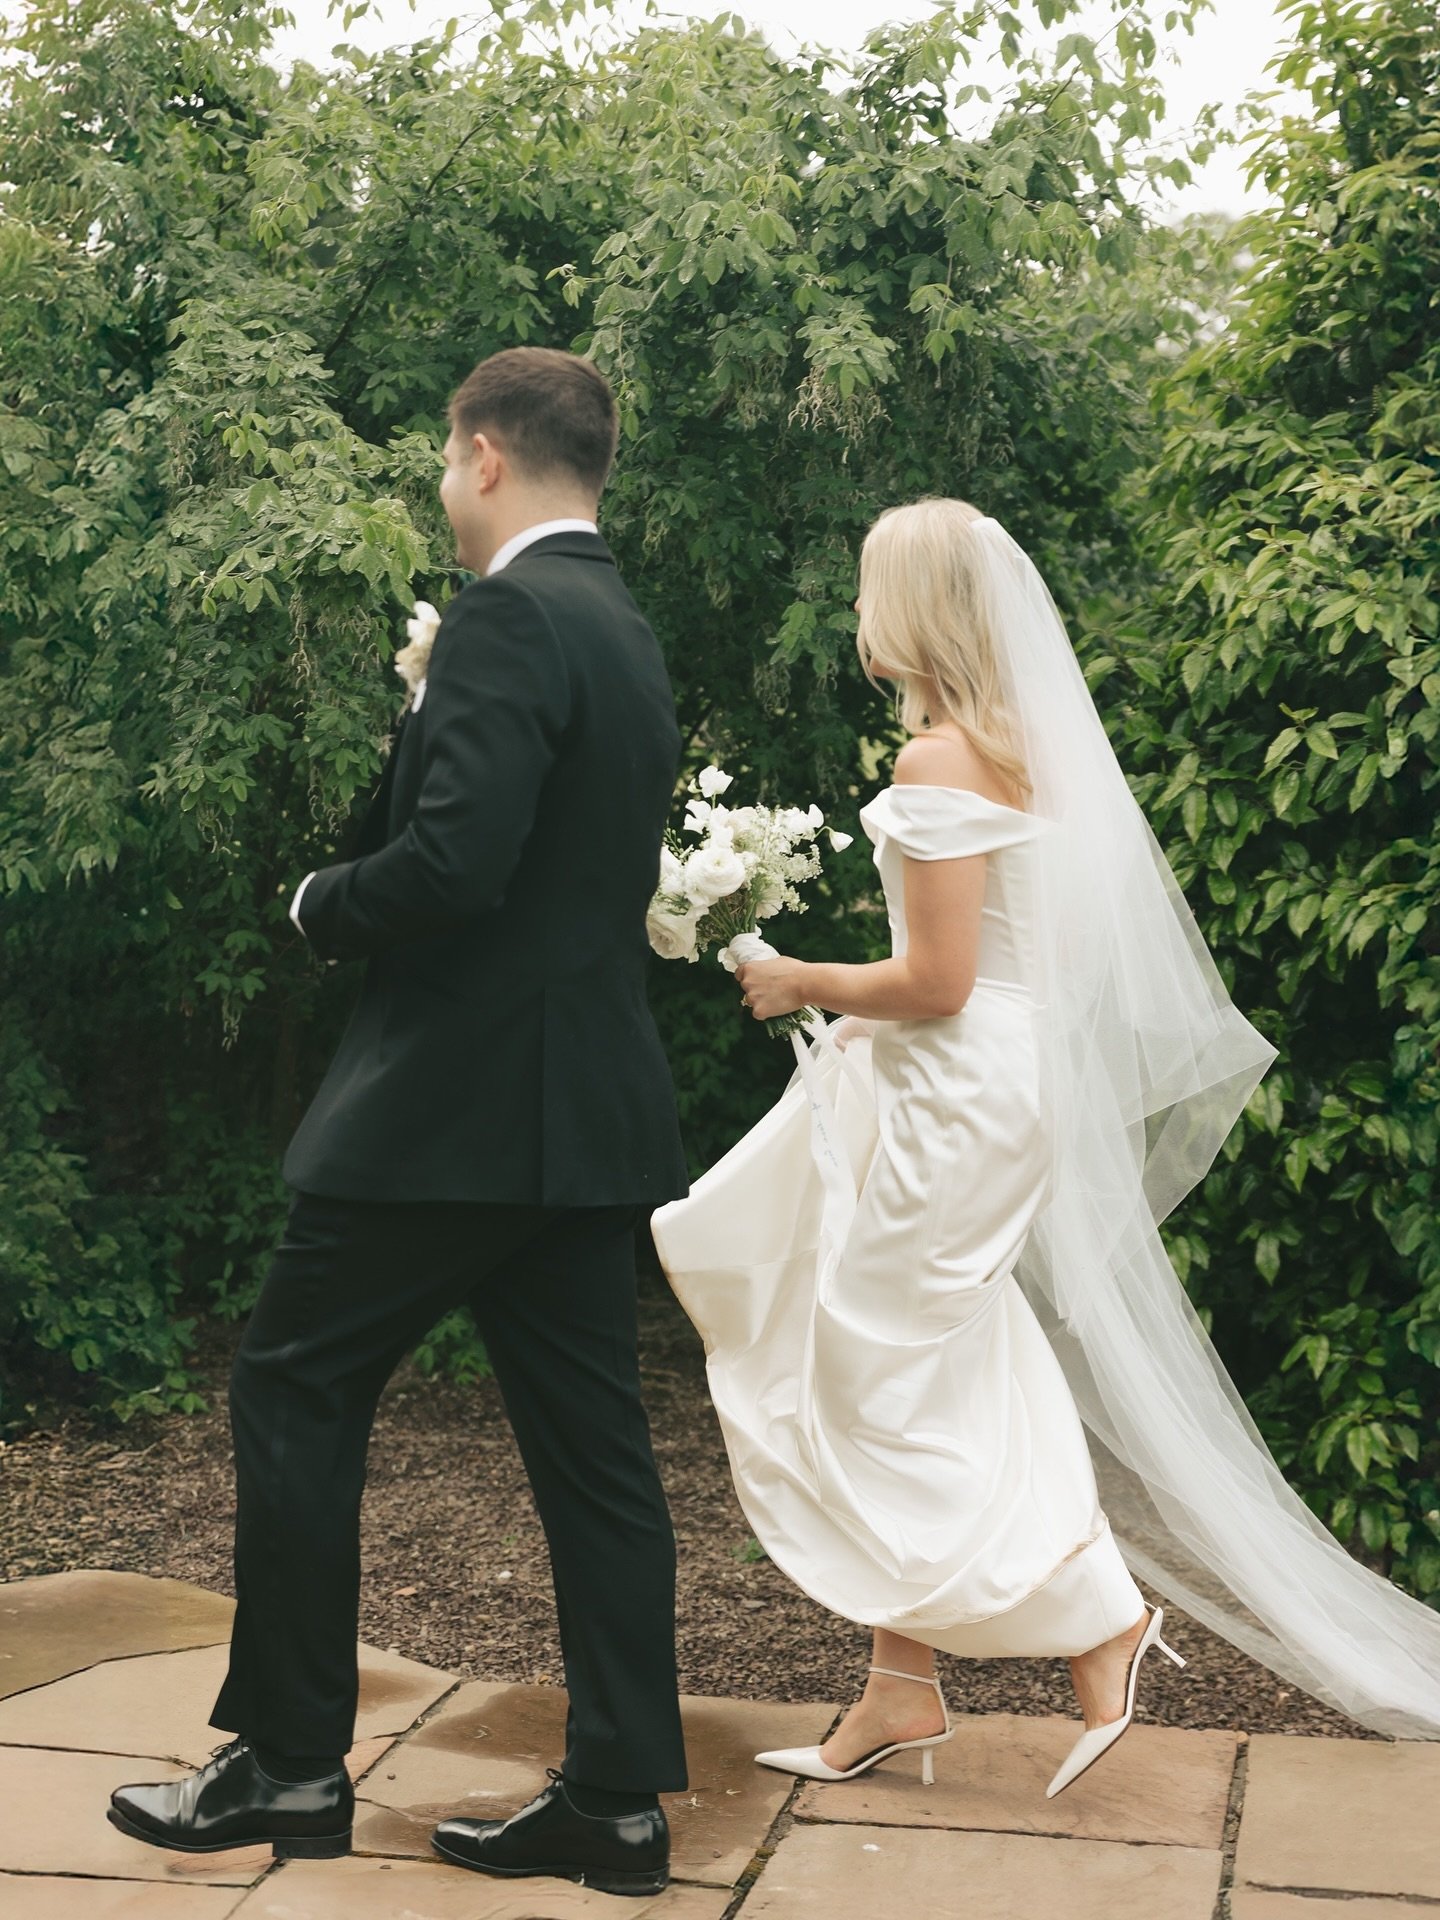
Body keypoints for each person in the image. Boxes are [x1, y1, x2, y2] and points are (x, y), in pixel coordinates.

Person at [651, 497, 1440, 1799]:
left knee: (866, 1367)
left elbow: (941, 979)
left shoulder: (938, 766)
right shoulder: (1021, 756)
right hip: (992, 1085)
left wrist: (805, 979)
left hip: (961, 1084)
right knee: (938, 1354)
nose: (857, 615)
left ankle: (1099, 1625)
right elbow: (1004, 964)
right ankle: (907, 1687)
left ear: (912, 612)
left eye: (868, 591)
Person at [107, 346, 690, 1898]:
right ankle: (621, 1802)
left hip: (450, 1115)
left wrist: (316, 901)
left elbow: (453, 868)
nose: (443, 486)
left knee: (295, 1385)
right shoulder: (624, 628)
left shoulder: (507, 615)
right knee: (597, 1460)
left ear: (487, 457)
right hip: (579, 1119)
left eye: (446, 460)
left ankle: (291, 1767)